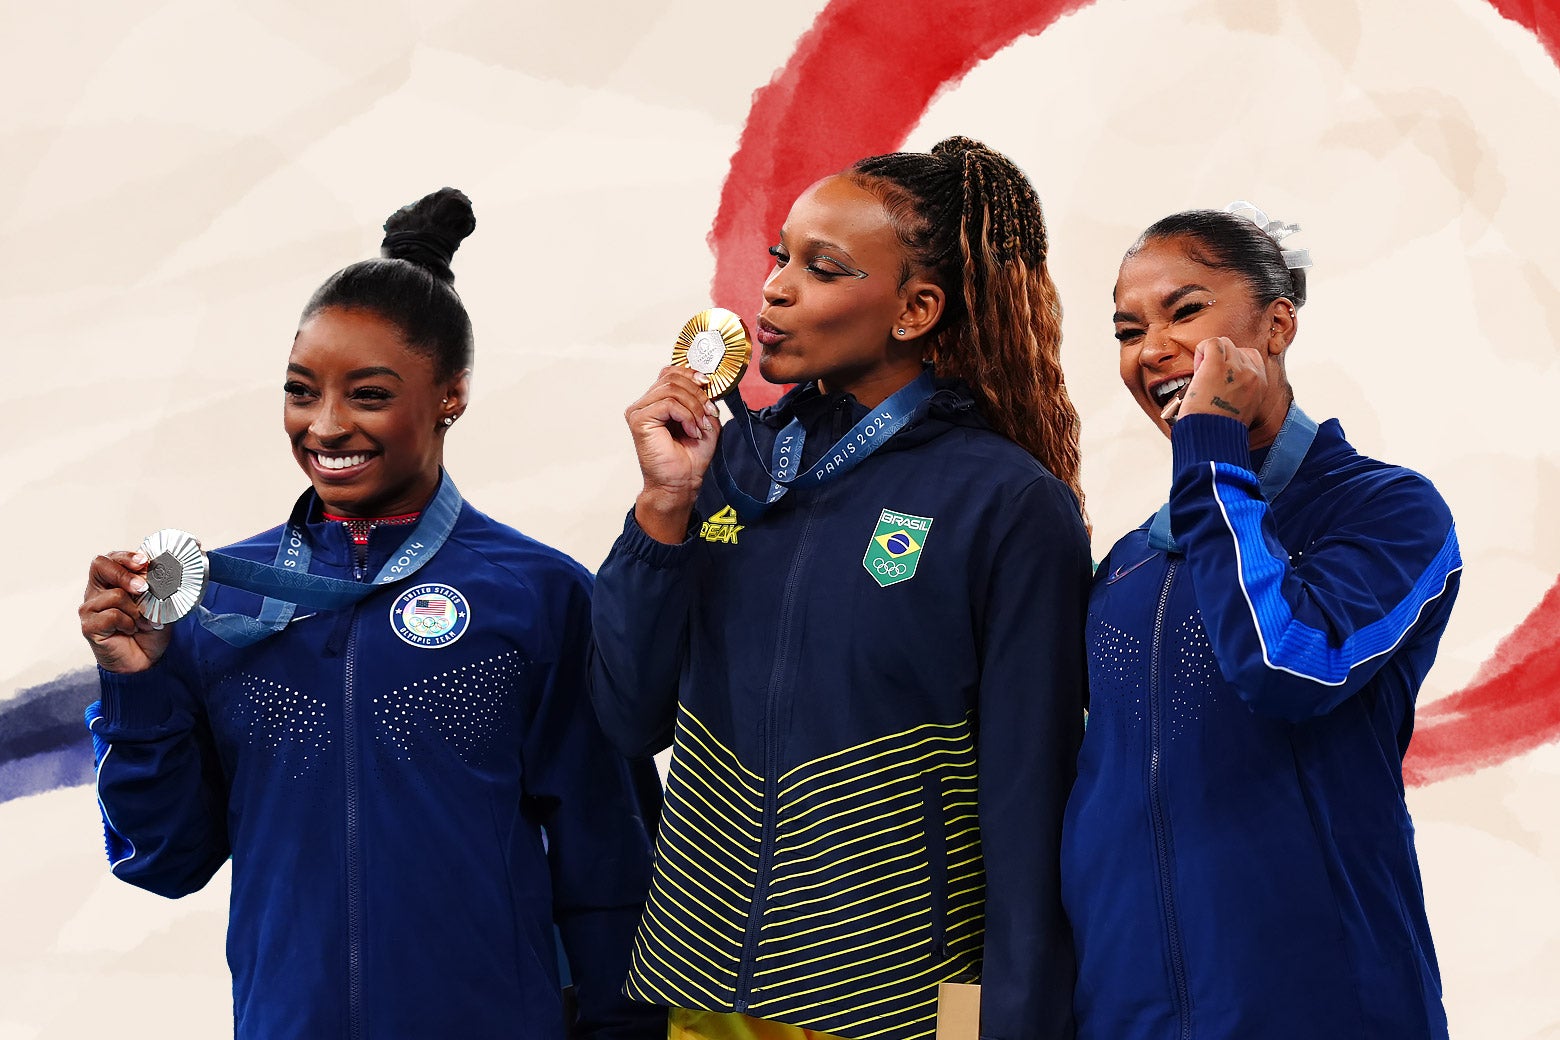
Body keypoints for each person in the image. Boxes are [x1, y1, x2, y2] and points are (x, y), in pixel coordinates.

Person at [78, 188, 662, 1040]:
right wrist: (138, 685)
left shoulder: (537, 594)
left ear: (451, 395)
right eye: (301, 391)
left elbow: (608, 865)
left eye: (369, 394)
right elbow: (165, 861)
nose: (325, 425)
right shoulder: (228, 600)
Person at [589, 137, 1091, 1040]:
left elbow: (1029, 798)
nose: (775, 287)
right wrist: (664, 506)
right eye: (780, 255)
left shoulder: (1008, 503)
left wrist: (1013, 1023)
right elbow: (628, 719)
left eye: (822, 269)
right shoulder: (731, 457)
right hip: (704, 984)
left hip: (895, 998)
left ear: (915, 309)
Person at [1062, 205, 1461, 1039]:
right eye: (1129, 330)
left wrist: (1209, 449)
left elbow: (1284, 664)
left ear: (1276, 324)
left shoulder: (1387, 512)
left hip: (1322, 1006)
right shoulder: (1132, 561)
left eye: (1184, 311)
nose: (1152, 349)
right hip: (1125, 1012)